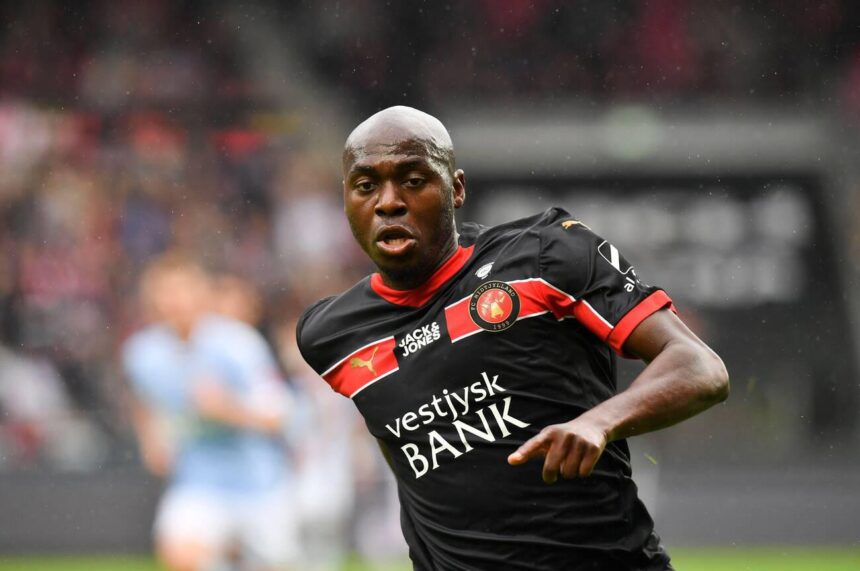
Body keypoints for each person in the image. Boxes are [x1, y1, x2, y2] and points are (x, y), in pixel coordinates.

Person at [296, 106, 730, 570]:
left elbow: (700, 368)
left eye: (413, 180)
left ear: (456, 188)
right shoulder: (331, 337)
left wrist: (600, 422)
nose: (388, 202)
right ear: (345, 200)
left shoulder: (544, 255)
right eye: (366, 186)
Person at [122, 253, 297, 571]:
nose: (174, 301)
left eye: (181, 290)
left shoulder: (237, 344)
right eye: (165, 292)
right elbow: (142, 400)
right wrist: (151, 439)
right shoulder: (143, 353)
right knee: (179, 554)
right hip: (198, 481)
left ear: (201, 293)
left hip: (259, 483)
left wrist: (227, 409)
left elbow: (280, 415)